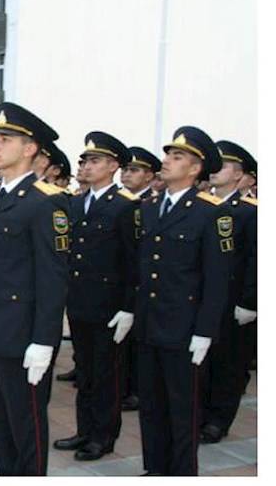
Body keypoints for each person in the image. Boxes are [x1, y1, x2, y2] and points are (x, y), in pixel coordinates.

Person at [0, 103, 70, 476]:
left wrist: (45, 341)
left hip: (22, 336)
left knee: (26, 425)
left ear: (30, 148)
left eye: (5, 139)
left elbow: (53, 278)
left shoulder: (47, 202)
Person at [135, 127, 231, 476]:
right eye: (167, 155)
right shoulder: (150, 207)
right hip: (150, 323)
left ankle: (181, 472)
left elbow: (217, 280)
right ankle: (155, 468)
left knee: (182, 407)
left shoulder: (211, 212)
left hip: (184, 327)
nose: (166, 161)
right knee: (151, 404)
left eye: (176, 157)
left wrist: (205, 331)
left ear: (194, 169)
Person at [54, 132, 139, 462]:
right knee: (85, 371)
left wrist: (129, 308)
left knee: (107, 374)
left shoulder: (125, 206)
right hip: (79, 302)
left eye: (96, 161)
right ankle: (83, 429)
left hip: (109, 306)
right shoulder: (74, 203)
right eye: (85, 160)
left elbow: (135, 263)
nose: (87, 166)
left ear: (114, 166)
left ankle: (103, 436)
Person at [201, 140, 258, 444]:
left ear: (239, 176)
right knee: (205, 360)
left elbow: (256, 260)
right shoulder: (203, 206)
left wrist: (250, 302)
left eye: (223, 166)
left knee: (230, 363)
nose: (215, 171)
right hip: (207, 300)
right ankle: (201, 414)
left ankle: (218, 419)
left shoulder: (250, 212)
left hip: (235, 301)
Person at [118, 146, 162, 411]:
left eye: (134, 170)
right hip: (120, 283)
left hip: (143, 286)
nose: (127, 174)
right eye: (126, 169)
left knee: (136, 344)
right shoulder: (126, 202)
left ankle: (135, 388)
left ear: (149, 176)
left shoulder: (148, 204)